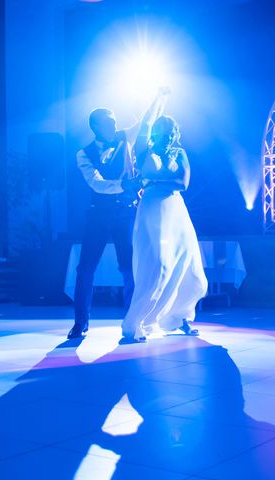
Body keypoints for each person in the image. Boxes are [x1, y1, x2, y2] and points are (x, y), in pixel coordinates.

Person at [69, 91, 169, 340]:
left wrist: (158, 98)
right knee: (85, 269)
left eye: (114, 121)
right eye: (109, 122)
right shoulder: (84, 153)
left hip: (125, 212)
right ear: (96, 127)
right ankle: (80, 322)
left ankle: (132, 321)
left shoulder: (126, 136)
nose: (115, 124)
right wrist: (123, 185)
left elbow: (146, 121)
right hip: (98, 215)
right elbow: (96, 184)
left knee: (129, 266)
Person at [121, 115, 208, 343]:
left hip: (176, 212)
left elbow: (183, 184)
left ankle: (180, 318)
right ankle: (136, 322)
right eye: (163, 130)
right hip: (151, 210)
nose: (168, 135)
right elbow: (145, 126)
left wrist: (151, 182)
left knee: (191, 270)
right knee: (158, 264)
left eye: (171, 130)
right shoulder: (143, 149)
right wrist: (158, 99)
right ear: (155, 132)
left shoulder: (180, 153)